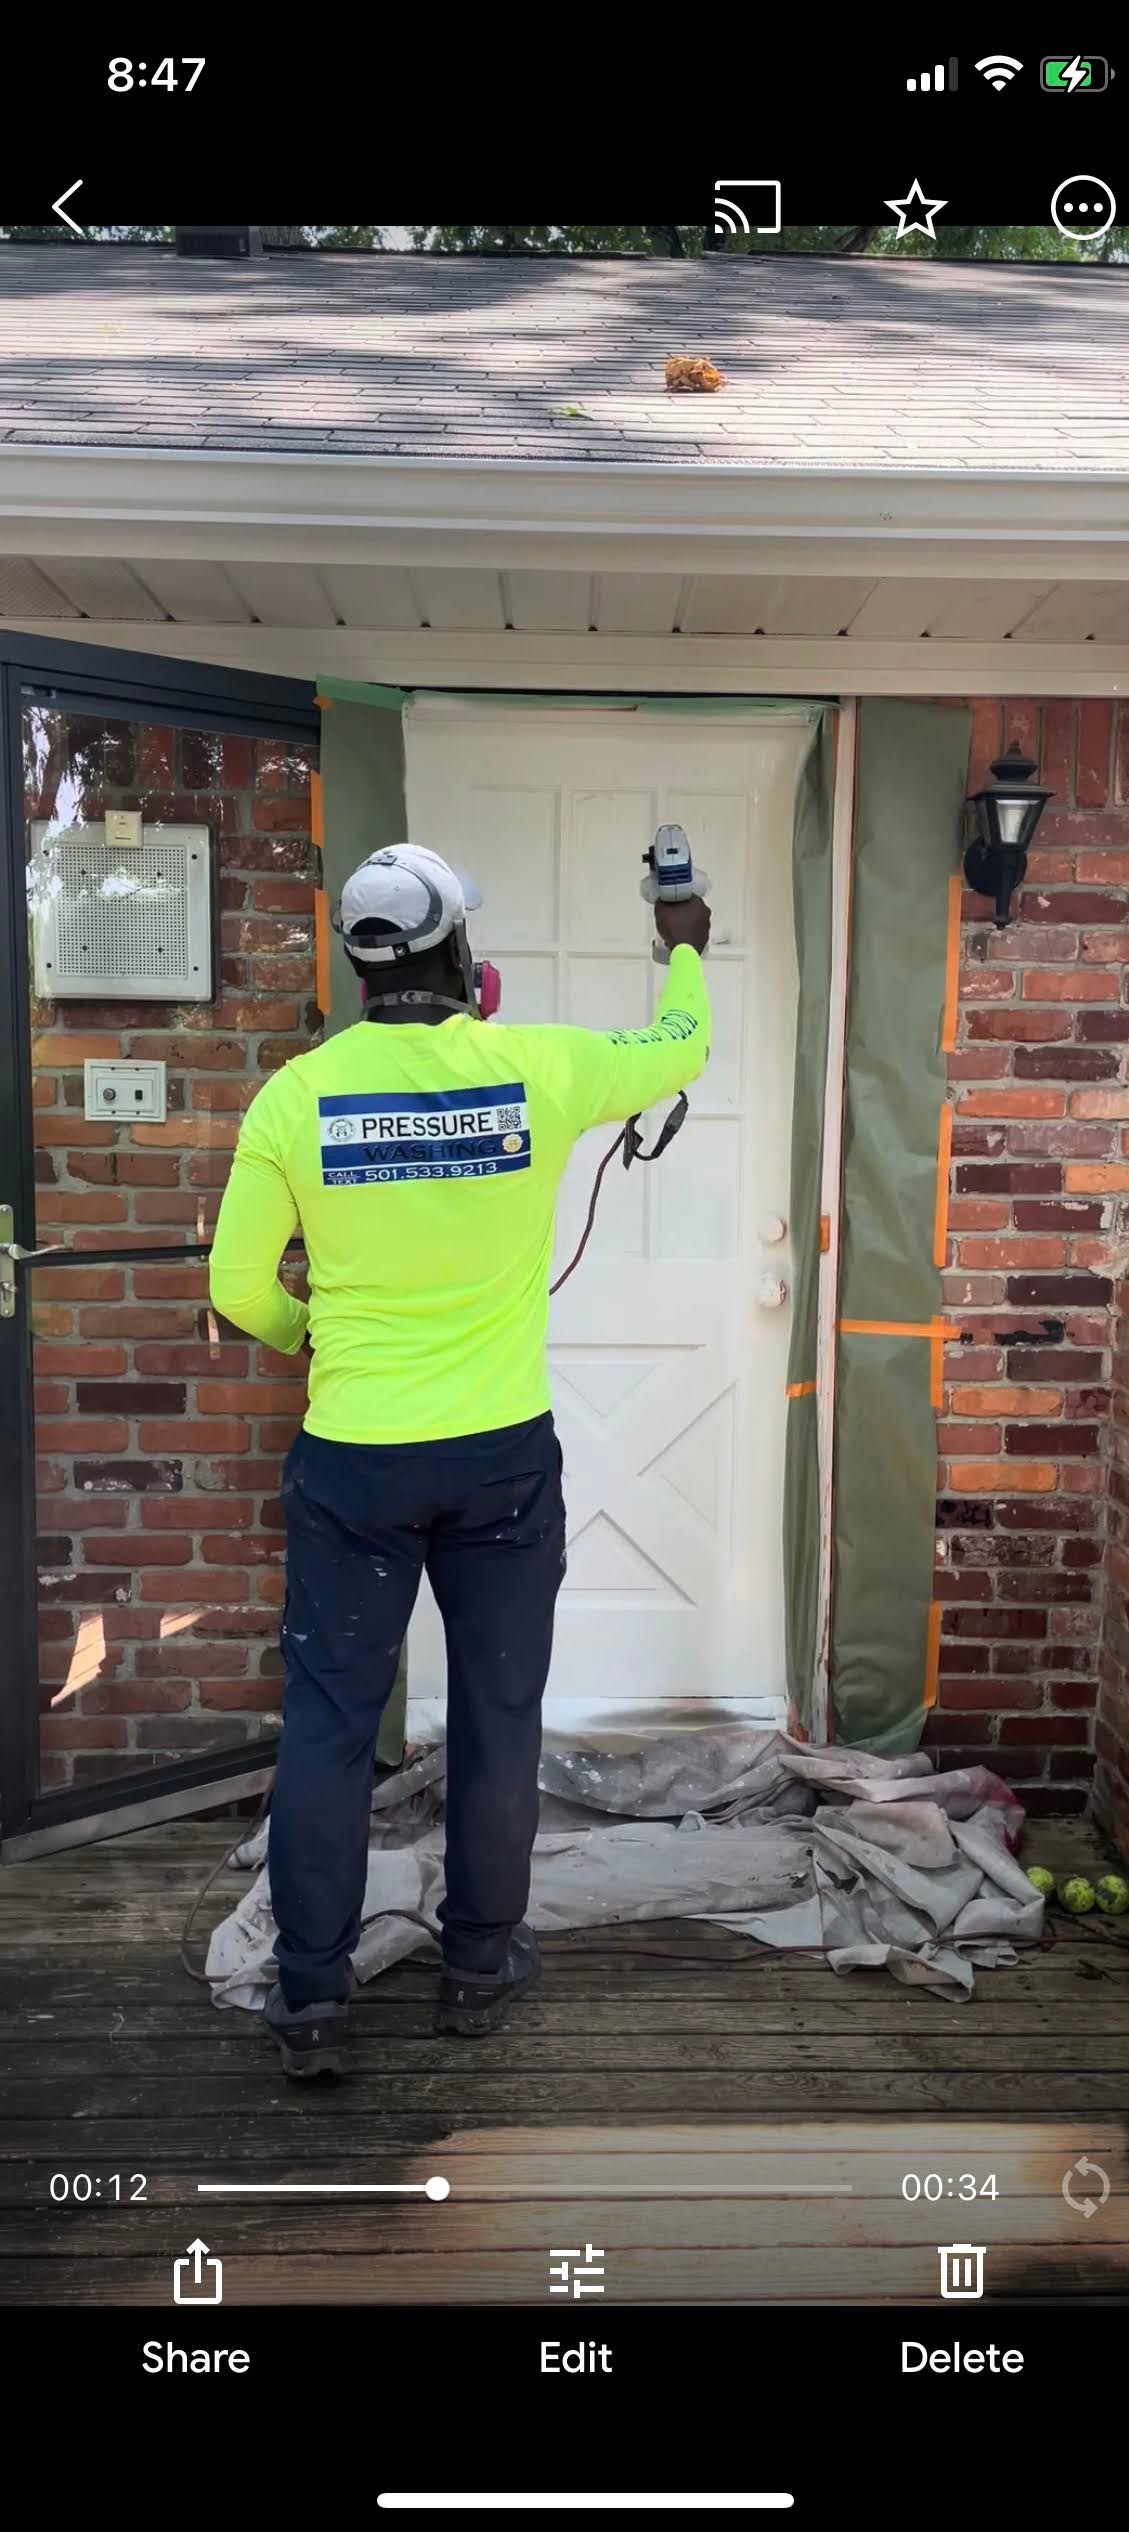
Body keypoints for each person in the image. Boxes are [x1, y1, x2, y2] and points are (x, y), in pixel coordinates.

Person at [209, 841, 711, 2076]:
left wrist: (313, 1330)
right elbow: (682, 1046)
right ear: (459, 957)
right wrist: (683, 940)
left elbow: (234, 1288)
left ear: (360, 962)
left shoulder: (295, 1095)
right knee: (497, 1718)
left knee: (326, 1729)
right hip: (497, 1463)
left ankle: (313, 2001)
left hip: (354, 1467)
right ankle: (478, 1965)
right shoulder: (539, 1066)